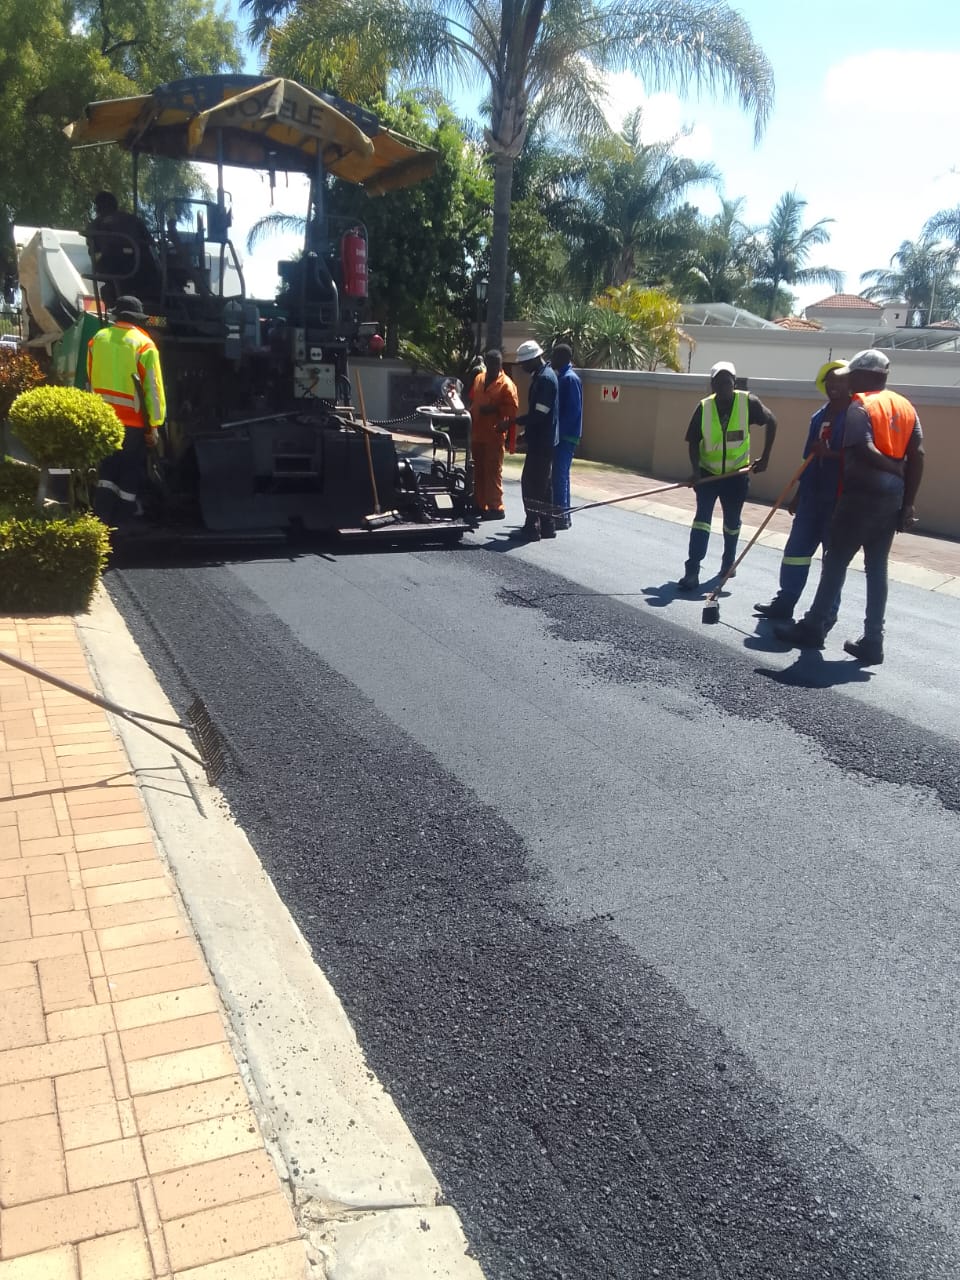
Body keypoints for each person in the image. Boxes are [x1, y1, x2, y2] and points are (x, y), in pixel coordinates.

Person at [774, 349, 924, 665]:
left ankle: (813, 626)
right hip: (891, 501)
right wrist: (908, 503)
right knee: (877, 569)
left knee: (835, 562)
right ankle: (873, 640)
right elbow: (918, 455)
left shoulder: (861, 406)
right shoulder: (905, 406)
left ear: (867, 375)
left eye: (853, 374)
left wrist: (892, 469)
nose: (849, 381)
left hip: (859, 498)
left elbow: (864, 450)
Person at [754, 360, 851, 621]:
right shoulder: (818, 417)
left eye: (840, 380)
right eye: (830, 380)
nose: (834, 385)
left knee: (832, 560)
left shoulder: (858, 416)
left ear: (850, 384)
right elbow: (807, 457)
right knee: (796, 552)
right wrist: (798, 494)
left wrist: (830, 454)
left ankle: (826, 614)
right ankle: (785, 602)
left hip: (839, 500)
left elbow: (860, 457)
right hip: (811, 497)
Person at [678, 361, 777, 591]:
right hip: (708, 474)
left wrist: (765, 458)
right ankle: (692, 571)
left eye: (727, 382)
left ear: (734, 383)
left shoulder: (748, 403)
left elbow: (772, 421)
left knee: (732, 523)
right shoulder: (704, 407)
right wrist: (695, 471)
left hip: (736, 475)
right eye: (719, 383)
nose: (723, 387)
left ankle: (728, 563)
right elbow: (693, 441)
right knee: (702, 521)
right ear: (712, 385)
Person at [88, 296, 166, 524]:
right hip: (133, 423)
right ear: (138, 319)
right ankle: (123, 523)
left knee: (107, 472)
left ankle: (102, 520)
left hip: (104, 421)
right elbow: (153, 389)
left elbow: (90, 378)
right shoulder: (144, 344)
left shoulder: (97, 339)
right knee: (129, 471)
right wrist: (154, 426)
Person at [509, 340, 559, 541]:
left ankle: (532, 527)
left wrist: (514, 422)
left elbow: (539, 414)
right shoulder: (543, 376)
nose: (522, 366)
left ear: (534, 359)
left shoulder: (545, 379)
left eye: (524, 362)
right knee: (544, 485)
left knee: (531, 484)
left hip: (542, 442)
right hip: (543, 440)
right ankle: (548, 526)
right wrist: (526, 434)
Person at [468, 349, 518, 519]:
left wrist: (495, 409)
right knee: (478, 470)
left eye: (496, 365)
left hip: (493, 435)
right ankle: (480, 504)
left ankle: (496, 508)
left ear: (500, 364)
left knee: (493, 471)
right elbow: (473, 399)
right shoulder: (479, 379)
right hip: (477, 433)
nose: (493, 368)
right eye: (490, 364)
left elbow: (512, 410)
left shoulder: (507, 385)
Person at [86, 191, 160, 302]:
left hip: (110, 269)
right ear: (115, 204)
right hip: (142, 269)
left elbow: (92, 251)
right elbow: (151, 243)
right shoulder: (133, 220)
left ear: (98, 208)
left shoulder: (94, 225)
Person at [550, 343, 583, 530]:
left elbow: (572, 412)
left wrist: (557, 433)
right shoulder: (563, 377)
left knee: (559, 476)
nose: (551, 359)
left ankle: (560, 516)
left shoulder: (569, 379)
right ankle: (564, 515)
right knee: (562, 476)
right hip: (564, 435)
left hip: (566, 436)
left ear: (562, 358)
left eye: (554, 356)